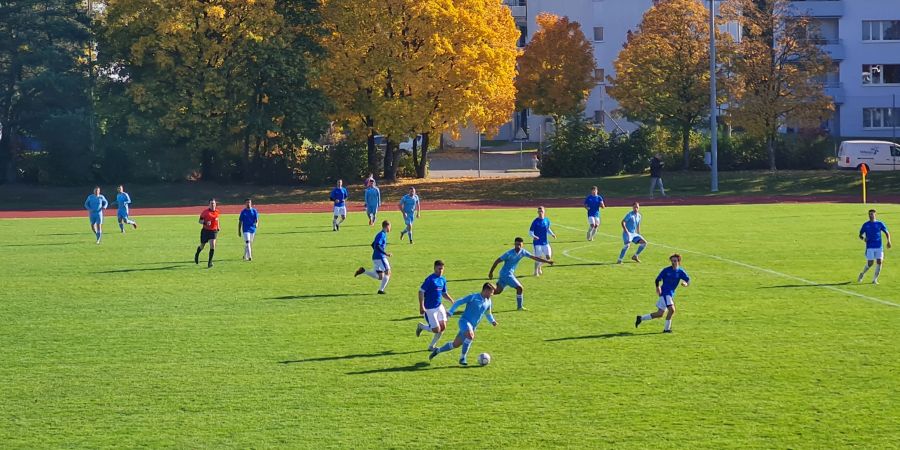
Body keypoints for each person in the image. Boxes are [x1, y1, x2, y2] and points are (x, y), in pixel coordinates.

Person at [428, 282, 497, 366]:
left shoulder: (488, 301)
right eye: (491, 292)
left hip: (472, 326)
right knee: (470, 336)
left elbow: (488, 313)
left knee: (455, 344)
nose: (492, 294)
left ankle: (437, 350)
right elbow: (459, 302)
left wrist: (492, 321)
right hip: (464, 321)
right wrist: (451, 311)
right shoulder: (473, 297)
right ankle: (462, 358)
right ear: (486, 290)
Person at [488, 237, 554, 310]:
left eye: (519, 244)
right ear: (514, 244)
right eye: (516, 244)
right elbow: (497, 261)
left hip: (505, 274)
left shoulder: (523, 252)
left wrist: (547, 261)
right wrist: (491, 272)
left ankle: (484, 292)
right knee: (519, 288)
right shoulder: (509, 253)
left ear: (522, 245)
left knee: (497, 291)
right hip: (507, 274)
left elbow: (535, 257)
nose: (518, 246)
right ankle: (519, 307)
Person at [635, 253, 690, 333]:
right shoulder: (666, 270)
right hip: (665, 292)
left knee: (660, 314)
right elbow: (657, 279)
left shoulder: (681, 271)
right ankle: (667, 329)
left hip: (670, 293)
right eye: (672, 261)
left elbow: (688, 281)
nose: (673, 262)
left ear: (679, 261)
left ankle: (641, 318)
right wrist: (658, 287)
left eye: (675, 261)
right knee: (672, 310)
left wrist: (685, 284)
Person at [416, 260, 455, 351]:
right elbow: (421, 292)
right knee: (436, 330)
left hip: (439, 306)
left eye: (442, 269)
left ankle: (431, 346)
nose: (440, 270)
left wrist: (452, 300)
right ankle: (421, 326)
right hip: (429, 308)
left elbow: (444, 293)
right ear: (434, 268)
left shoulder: (443, 279)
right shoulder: (430, 280)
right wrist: (421, 306)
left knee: (443, 327)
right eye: (439, 269)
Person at [354, 220, 392, 294]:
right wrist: (385, 253)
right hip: (380, 257)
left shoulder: (381, 234)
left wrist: (376, 252)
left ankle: (364, 271)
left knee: (380, 276)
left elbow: (373, 244)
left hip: (375, 257)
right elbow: (377, 245)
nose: (390, 228)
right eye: (390, 227)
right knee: (388, 272)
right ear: (387, 226)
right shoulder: (382, 234)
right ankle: (381, 290)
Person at [857, 209, 892, 284]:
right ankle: (862, 274)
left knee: (879, 261)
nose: (871, 216)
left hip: (879, 246)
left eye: (872, 214)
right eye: (869, 214)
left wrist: (889, 241)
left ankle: (875, 279)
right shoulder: (866, 225)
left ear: (875, 215)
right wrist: (863, 238)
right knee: (870, 263)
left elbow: (887, 232)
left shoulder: (880, 224)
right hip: (870, 247)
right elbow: (860, 235)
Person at [529, 206, 556, 276]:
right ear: (537, 212)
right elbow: (530, 232)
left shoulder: (547, 220)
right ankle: (536, 271)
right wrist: (534, 236)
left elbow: (547, 229)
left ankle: (540, 266)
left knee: (548, 257)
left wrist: (552, 234)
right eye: (539, 211)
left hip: (545, 242)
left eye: (541, 211)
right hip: (537, 243)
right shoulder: (535, 221)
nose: (540, 213)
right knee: (538, 258)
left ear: (544, 212)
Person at [195, 199, 220, 268]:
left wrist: (218, 226)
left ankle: (210, 262)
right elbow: (200, 221)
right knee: (202, 246)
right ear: (209, 204)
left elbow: (217, 219)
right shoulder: (205, 212)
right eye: (211, 203)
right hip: (205, 231)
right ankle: (197, 254)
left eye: (214, 203)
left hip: (213, 231)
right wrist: (205, 223)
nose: (213, 205)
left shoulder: (217, 212)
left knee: (212, 246)